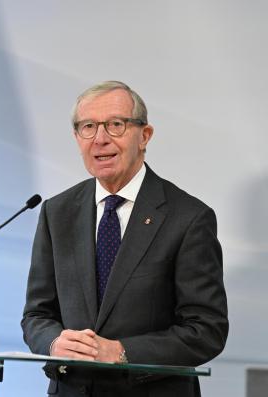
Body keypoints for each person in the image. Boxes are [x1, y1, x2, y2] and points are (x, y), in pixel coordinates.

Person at [21, 81, 228, 397]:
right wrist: (53, 341)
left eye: (115, 125)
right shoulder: (56, 212)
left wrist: (121, 351)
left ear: (145, 136)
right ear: (77, 138)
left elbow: (206, 331)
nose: (100, 139)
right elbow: (37, 315)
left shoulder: (188, 218)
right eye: (88, 127)